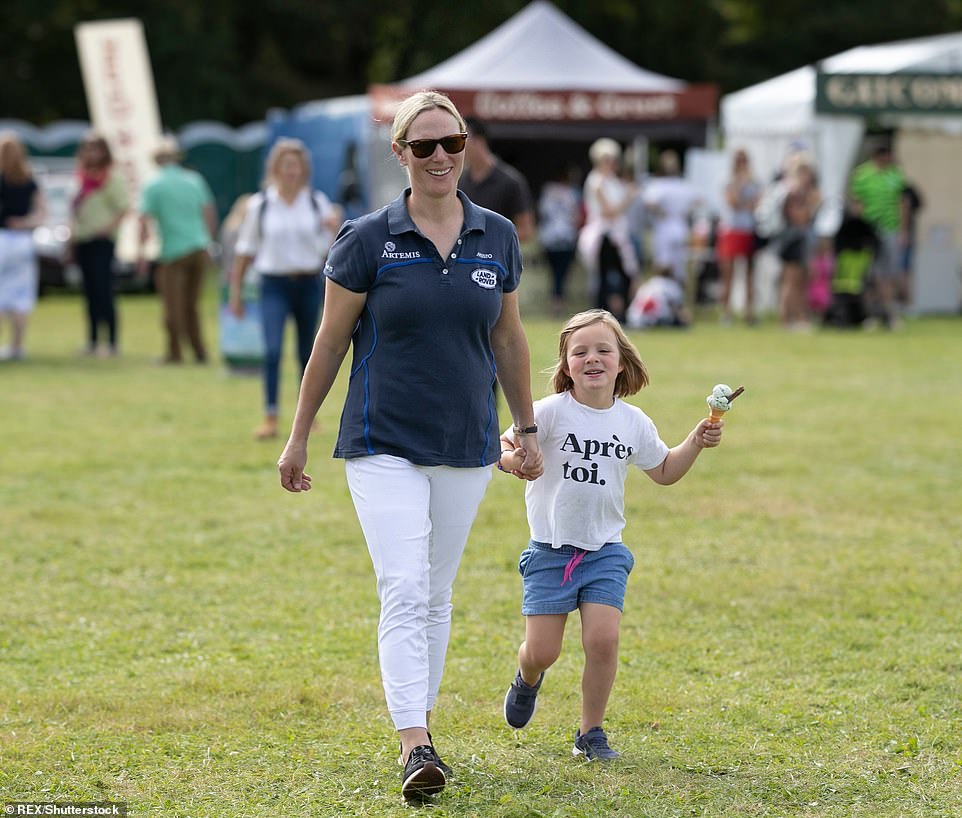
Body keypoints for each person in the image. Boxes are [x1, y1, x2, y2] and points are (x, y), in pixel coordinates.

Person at [274, 91, 544, 803]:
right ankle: (414, 742)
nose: (438, 158)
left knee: (435, 590)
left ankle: (420, 726)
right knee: (403, 583)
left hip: (467, 440)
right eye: (421, 146)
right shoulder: (367, 237)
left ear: (464, 146)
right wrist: (298, 436)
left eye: (449, 143)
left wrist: (528, 427)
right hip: (380, 436)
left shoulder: (498, 235)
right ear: (399, 154)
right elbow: (329, 341)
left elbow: (509, 338)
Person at [497, 308, 723, 760]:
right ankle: (527, 677)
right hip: (550, 552)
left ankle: (590, 732)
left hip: (605, 551)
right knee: (543, 651)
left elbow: (662, 470)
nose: (592, 358)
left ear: (622, 362)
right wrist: (515, 461)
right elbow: (502, 446)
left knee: (603, 641)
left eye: (604, 350)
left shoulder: (633, 421)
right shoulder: (549, 413)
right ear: (566, 366)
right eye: (580, 352)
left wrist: (695, 441)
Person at [228, 138, 342, 440]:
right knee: (273, 349)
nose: (292, 171)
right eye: (286, 165)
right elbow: (244, 251)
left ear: (304, 170)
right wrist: (236, 293)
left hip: (308, 282)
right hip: (273, 284)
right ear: (275, 169)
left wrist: (333, 228)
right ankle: (270, 415)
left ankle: (308, 417)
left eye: (297, 165)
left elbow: (329, 250)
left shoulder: (317, 202)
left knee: (309, 352)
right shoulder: (261, 205)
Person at [138, 136, 218, 364]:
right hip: (199, 248)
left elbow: (143, 222)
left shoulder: (154, 185)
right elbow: (208, 212)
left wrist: (142, 254)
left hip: (173, 252)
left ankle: (174, 353)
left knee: (172, 306)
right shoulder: (194, 180)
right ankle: (199, 351)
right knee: (192, 305)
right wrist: (209, 243)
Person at [70, 132, 128, 357]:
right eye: (87, 148)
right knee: (89, 292)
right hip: (82, 239)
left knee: (104, 290)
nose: (91, 152)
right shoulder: (81, 177)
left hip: (102, 240)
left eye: (96, 148)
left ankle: (112, 342)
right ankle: (93, 340)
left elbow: (123, 207)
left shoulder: (112, 177)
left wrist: (108, 228)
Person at [577, 138, 639, 322]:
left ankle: (621, 313)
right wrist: (628, 198)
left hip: (616, 234)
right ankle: (602, 314)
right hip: (603, 234)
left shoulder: (611, 180)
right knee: (605, 276)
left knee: (624, 275)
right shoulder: (597, 182)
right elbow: (608, 211)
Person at [849, 142, 907, 328]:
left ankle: (889, 313)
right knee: (869, 274)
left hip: (890, 228)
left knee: (888, 273)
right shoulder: (862, 175)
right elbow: (857, 204)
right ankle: (870, 313)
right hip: (869, 230)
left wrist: (903, 230)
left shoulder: (895, 174)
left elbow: (902, 203)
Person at [0, 132, 46, 360]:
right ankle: (17, 346)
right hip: (22, 240)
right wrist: (25, 223)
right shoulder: (28, 180)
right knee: (20, 296)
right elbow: (41, 213)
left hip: (2, 238)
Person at [459, 117, 534, 242]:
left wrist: (490, 243)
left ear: (479, 141)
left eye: (463, 140)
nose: (458, 148)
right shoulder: (460, 181)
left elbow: (525, 230)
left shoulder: (511, 181)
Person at [716, 149, 761, 324]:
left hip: (748, 229)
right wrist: (741, 184)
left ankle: (749, 313)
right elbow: (733, 202)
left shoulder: (755, 181)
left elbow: (756, 204)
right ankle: (726, 312)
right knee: (728, 274)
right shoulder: (728, 180)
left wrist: (746, 201)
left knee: (750, 274)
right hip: (731, 229)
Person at [643, 149, 701, 285]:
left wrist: (664, 211)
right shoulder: (681, 185)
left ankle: (668, 294)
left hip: (667, 228)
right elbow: (697, 201)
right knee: (674, 265)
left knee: (669, 265)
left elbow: (649, 203)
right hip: (677, 227)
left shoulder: (661, 185)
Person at [777, 160, 821, 329]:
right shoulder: (794, 194)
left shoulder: (807, 193)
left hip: (802, 240)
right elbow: (799, 218)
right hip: (793, 240)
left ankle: (796, 317)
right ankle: (788, 318)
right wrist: (811, 206)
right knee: (791, 280)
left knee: (801, 280)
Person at [537, 165, 581, 316]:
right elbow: (575, 217)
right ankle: (558, 303)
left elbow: (542, 213)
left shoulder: (547, 191)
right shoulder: (572, 193)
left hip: (549, 238)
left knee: (555, 274)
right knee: (561, 274)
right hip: (565, 238)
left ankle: (556, 302)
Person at [625, 268, 691, 329]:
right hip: (656, 320)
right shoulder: (671, 285)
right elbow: (679, 308)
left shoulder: (648, 284)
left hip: (633, 318)